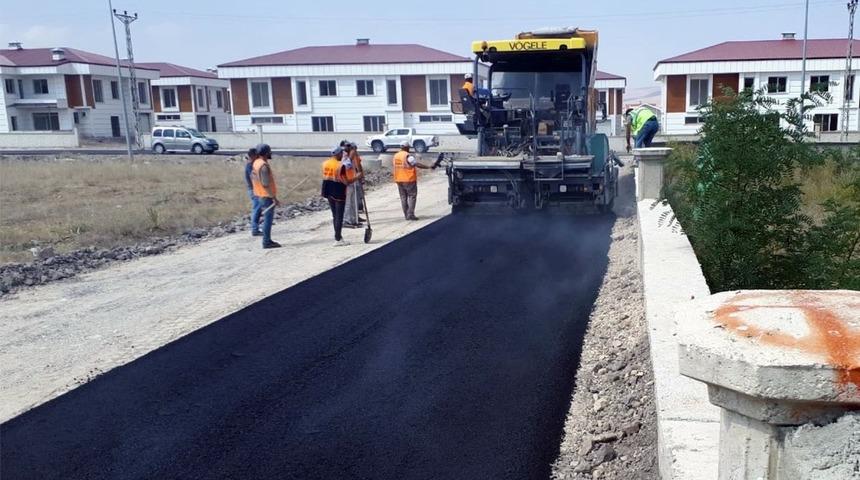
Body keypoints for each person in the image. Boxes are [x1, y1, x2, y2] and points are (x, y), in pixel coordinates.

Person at [321, 146, 357, 245]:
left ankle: (338, 237)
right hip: (338, 191)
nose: (342, 155)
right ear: (338, 154)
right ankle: (338, 239)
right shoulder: (340, 166)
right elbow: (346, 182)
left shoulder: (325, 164)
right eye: (341, 153)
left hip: (328, 190)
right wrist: (357, 177)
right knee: (339, 216)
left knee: (334, 215)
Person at [250, 143, 281, 249]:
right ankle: (266, 241)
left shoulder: (256, 163)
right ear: (266, 153)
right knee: (268, 220)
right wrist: (274, 198)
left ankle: (267, 240)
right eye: (269, 152)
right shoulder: (263, 166)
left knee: (266, 218)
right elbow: (265, 184)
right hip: (266, 196)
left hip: (258, 194)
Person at [392, 141, 432, 221]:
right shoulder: (407, 156)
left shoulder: (396, 156)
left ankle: (406, 215)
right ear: (406, 147)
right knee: (412, 196)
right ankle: (410, 214)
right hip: (408, 179)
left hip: (399, 179)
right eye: (408, 147)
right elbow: (416, 164)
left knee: (403, 197)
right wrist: (428, 167)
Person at [342, 141, 365, 228]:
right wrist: (351, 157)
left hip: (353, 181)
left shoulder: (352, 156)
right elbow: (345, 166)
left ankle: (354, 219)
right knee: (348, 203)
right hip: (346, 182)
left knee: (353, 202)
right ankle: (346, 220)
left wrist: (360, 176)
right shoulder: (343, 156)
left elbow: (358, 166)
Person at [244, 147, 262, 236]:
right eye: (257, 155)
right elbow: (254, 179)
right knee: (257, 209)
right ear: (253, 156)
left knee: (258, 209)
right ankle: (255, 229)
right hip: (254, 190)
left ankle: (256, 228)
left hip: (255, 190)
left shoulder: (252, 164)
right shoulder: (250, 166)